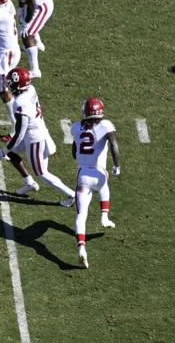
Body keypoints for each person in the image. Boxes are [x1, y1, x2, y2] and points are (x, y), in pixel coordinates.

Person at [0, 68, 75, 203]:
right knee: (12, 152)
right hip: (36, 130)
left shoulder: (20, 103)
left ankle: (72, 195)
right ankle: (29, 182)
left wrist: (3, 152)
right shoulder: (30, 88)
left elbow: (19, 134)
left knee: (42, 173)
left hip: (34, 140)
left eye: (10, 82)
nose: (8, 83)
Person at [70, 97, 121, 268]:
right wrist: (116, 165)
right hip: (99, 174)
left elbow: (73, 151)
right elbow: (114, 144)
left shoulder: (76, 127)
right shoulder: (106, 125)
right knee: (104, 185)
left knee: (80, 216)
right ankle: (104, 216)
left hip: (83, 175)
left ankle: (81, 248)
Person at [0, 0, 53, 78]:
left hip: (41, 5)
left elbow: (32, 2)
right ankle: (37, 44)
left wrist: (27, 22)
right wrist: (21, 8)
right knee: (21, 19)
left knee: (26, 34)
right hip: (34, 2)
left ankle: (35, 70)